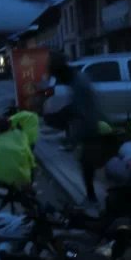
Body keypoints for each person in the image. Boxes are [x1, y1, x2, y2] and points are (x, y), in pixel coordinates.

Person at [48, 51, 108, 204]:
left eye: (58, 77)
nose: (60, 81)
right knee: (87, 162)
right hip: (89, 124)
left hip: (90, 127)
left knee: (88, 162)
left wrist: (74, 138)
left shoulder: (79, 83)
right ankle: (91, 196)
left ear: (62, 72)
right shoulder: (76, 80)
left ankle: (92, 198)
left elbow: (82, 112)